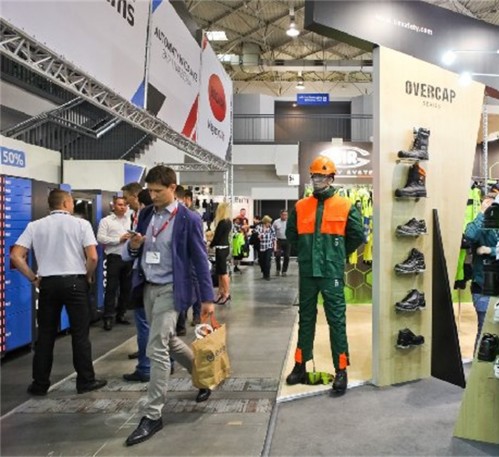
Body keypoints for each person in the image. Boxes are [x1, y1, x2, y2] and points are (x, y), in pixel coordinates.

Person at [122, 165, 215, 446]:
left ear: (173, 188)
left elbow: (200, 259)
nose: (152, 196)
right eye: (149, 191)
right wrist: (134, 245)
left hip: (172, 290)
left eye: (158, 191)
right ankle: (204, 378)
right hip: (148, 286)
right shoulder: (146, 214)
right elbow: (133, 251)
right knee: (169, 340)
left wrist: (207, 299)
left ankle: (153, 414)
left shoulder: (189, 219)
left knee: (157, 348)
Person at [10, 189, 107, 395]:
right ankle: (85, 381)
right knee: (80, 334)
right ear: (65, 203)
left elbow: (16, 256)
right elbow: (93, 257)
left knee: (45, 336)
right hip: (75, 283)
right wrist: (87, 276)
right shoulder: (82, 224)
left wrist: (34, 278)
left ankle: (40, 384)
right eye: (71, 202)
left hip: (48, 284)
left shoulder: (35, 226)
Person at [285, 156, 364, 395]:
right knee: (305, 318)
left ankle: (341, 369)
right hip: (308, 272)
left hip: (331, 272)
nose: (317, 180)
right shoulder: (301, 206)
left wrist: (338, 254)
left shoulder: (346, 205)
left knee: (336, 320)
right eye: (314, 176)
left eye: (321, 176)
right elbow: (291, 235)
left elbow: (357, 235)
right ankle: (300, 365)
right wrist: (306, 253)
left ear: (331, 178)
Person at [121, 185, 153, 382]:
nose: (125, 202)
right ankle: (163, 362)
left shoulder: (146, 217)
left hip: (145, 278)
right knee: (160, 328)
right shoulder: (146, 217)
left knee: (145, 324)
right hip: (149, 277)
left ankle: (145, 367)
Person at [464, 193, 499, 354]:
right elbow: (469, 235)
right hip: (483, 286)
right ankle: (480, 366)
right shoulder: (483, 224)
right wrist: (482, 213)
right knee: (485, 330)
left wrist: (490, 250)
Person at [97, 196, 132, 330]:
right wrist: (118, 239)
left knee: (126, 288)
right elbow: (100, 238)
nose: (122, 207)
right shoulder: (106, 221)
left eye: (124, 205)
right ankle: (108, 317)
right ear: (113, 206)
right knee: (111, 288)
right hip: (114, 258)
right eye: (120, 205)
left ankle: (121, 314)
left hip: (128, 258)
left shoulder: (130, 219)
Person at [210, 202, 232, 304]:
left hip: (221, 249)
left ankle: (226, 293)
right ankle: (220, 292)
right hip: (224, 248)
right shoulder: (228, 222)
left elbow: (217, 237)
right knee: (220, 272)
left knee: (223, 273)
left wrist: (210, 245)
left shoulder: (222, 223)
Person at [256, 215, 277, 281]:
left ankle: (267, 275)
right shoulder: (259, 227)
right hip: (261, 246)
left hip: (269, 246)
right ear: (265, 222)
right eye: (268, 222)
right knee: (261, 261)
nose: (269, 224)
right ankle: (264, 272)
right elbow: (258, 236)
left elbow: (274, 237)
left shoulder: (271, 228)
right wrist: (264, 232)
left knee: (267, 261)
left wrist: (275, 246)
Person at [272, 209, 290, 276]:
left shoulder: (289, 222)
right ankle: (278, 270)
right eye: (283, 215)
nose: (285, 216)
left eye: (286, 215)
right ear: (280, 215)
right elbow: (272, 231)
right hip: (278, 241)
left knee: (287, 256)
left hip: (287, 241)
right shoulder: (276, 222)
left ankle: (284, 271)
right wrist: (274, 240)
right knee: (277, 256)